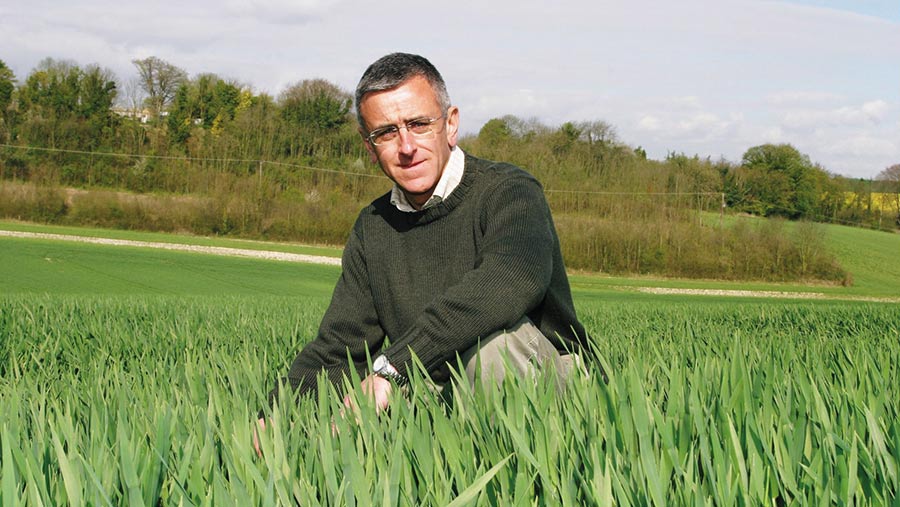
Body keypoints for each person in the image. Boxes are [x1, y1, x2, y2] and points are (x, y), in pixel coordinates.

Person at [257, 53, 589, 443]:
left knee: (491, 351)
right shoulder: (373, 226)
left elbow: (510, 281)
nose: (406, 146)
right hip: (436, 390)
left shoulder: (510, 192)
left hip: (547, 392)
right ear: (369, 146)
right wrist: (273, 419)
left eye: (418, 124)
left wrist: (393, 368)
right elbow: (339, 349)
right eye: (386, 132)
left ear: (450, 125)